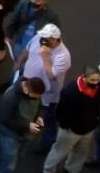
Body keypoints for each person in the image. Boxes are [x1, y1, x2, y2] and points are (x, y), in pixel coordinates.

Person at [42, 65, 100, 173]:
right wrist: (66, 126)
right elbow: (60, 111)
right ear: (84, 78)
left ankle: (72, 170)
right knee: (59, 151)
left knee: (81, 152)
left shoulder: (98, 88)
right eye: (92, 80)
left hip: (88, 128)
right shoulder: (70, 91)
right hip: (71, 130)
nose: (95, 83)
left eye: (97, 80)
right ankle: (47, 172)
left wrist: (94, 121)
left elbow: (98, 104)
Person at [0, 76, 46, 173]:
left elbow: (40, 106)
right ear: (26, 89)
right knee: (8, 167)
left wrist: (39, 117)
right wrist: (27, 125)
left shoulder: (33, 90)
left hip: (24, 136)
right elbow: (5, 119)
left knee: (14, 162)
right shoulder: (11, 96)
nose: (37, 98)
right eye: (35, 96)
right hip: (10, 136)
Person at [16, 22, 71, 150]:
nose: (43, 40)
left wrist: (45, 55)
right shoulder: (38, 38)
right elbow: (28, 49)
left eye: (47, 39)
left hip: (47, 94)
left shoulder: (63, 56)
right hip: (27, 84)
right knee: (23, 109)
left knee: (47, 118)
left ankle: (47, 144)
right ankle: (23, 131)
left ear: (55, 39)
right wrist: (19, 62)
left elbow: (52, 75)